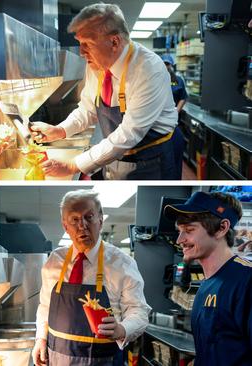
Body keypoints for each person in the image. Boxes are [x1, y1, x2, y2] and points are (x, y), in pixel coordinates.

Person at [30, 3, 181, 180]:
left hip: (153, 155)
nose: (81, 52)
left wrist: (73, 165)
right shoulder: (97, 64)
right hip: (119, 150)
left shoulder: (148, 69)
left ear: (114, 42)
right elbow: (87, 109)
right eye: (80, 43)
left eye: (87, 44)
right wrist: (60, 130)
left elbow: (130, 133)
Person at [33, 189, 150, 366]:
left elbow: (139, 311)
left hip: (102, 360)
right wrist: (40, 339)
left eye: (89, 217)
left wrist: (122, 329)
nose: (82, 226)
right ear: (65, 226)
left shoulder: (123, 263)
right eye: (74, 219)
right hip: (57, 359)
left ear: (100, 220)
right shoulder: (54, 261)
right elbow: (45, 306)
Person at [164, 191, 252, 366]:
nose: (180, 239)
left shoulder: (246, 281)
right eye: (180, 231)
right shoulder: (206, 285)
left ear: (222, 228)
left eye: (189, 230)